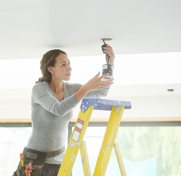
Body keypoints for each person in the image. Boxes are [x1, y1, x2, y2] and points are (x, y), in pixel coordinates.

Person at [13, 45, 115, 176]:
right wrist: (85, 89)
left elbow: (102, 91)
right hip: (35, 160)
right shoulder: (39, 89)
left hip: (59, 160)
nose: (69, 67)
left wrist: (110, 63)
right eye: (63, 64)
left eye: (69, 63)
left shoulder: (71, 89)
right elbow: (58, 109)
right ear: (51, 69)